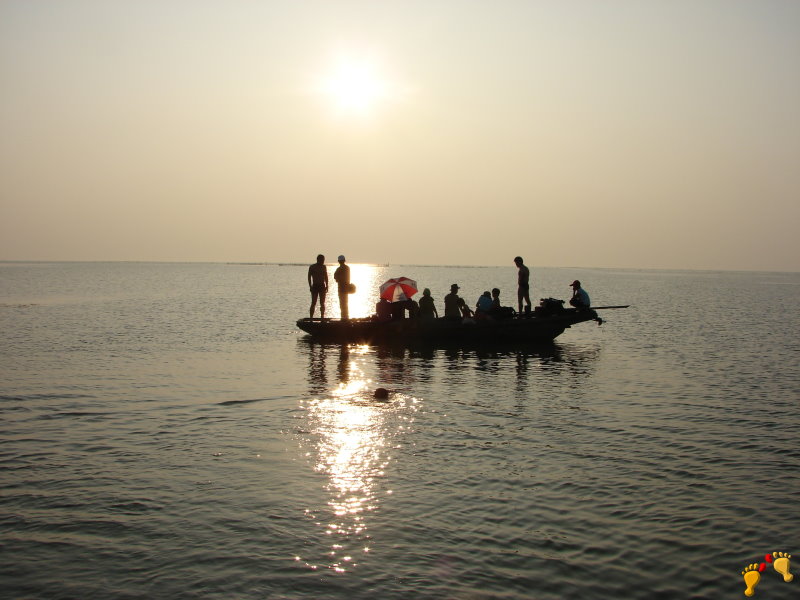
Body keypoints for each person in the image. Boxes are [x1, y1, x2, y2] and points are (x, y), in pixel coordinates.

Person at [308, 254, 328, 318]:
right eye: (322, 260)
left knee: (322, 303)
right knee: (313, 302)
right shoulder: (312, 267)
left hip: (322, 286)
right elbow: (309, 277)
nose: (323, 261)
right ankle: (311, 317)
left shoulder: (324, 267)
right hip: (315, 286)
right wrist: (310, 286)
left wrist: (327, 285)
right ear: (318, 260)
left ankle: (322, 316)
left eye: (323, 260)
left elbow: (326, 276)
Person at [333, 255, 350, 320]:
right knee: (345, 303)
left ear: (339, 261)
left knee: (342, 304)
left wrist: (338, 279)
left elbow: (335, 277)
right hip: (346, 288)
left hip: (341, 288)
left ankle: (343, 317)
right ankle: (346, 317)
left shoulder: (339, 269)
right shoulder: (347, 268)